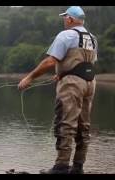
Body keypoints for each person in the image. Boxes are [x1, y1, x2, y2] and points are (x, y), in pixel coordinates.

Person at [18, 6, 98, 174]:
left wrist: (29, 78)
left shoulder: (66, 35)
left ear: (70, 19)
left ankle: (61, 166)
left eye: (65, 17)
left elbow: (50, 61)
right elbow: (88, 62)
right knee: (84, 125)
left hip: (72, 84)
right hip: (90, 83)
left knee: (65, 122)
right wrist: (62, 73)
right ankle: (78, 166)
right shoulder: (92, 38)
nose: (64, 20)